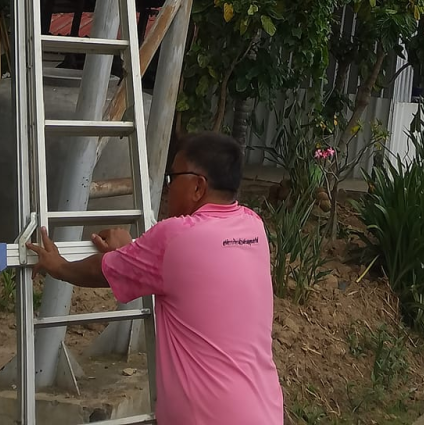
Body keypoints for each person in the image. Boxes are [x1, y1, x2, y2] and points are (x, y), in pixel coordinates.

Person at [30, 131, 283, 425]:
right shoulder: (253, 227)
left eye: (172, 178)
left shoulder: (175, 237)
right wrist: (133, 252)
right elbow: (190, 271)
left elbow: (104, 270)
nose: (168, 188)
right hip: (265, 411)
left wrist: (59, 266)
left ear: (198, 187)